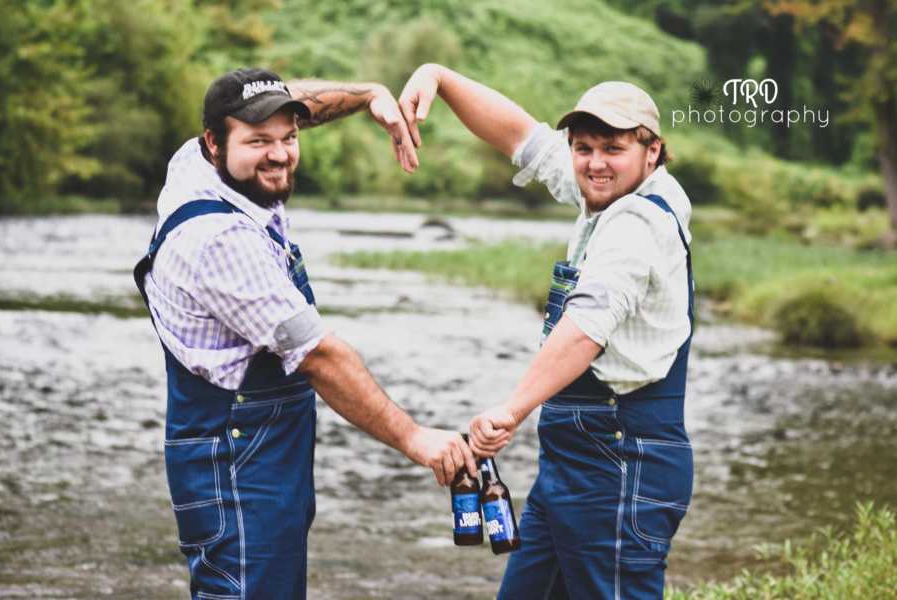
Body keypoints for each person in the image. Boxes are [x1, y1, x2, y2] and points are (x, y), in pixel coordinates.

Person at [133, 68, 477, 599]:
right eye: (258, 142)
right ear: (214, 143)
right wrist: (414, 438)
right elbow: (319, 355)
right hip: (236, 462)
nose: (279, 154)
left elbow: (294, 103)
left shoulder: (194, 164)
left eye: (288, 138)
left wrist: (368, 97)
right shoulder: (221, 241)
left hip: (259, 455)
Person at [399, 64, 694, 599]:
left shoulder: (637, 224)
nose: (594, 163)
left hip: (622, 466)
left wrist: (511, 410)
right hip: (572, 468)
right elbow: (519, 135)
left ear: (652, 151)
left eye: (612, 148)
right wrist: (439, 77)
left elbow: (585, 328)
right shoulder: (609, 187)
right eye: (583, 148)